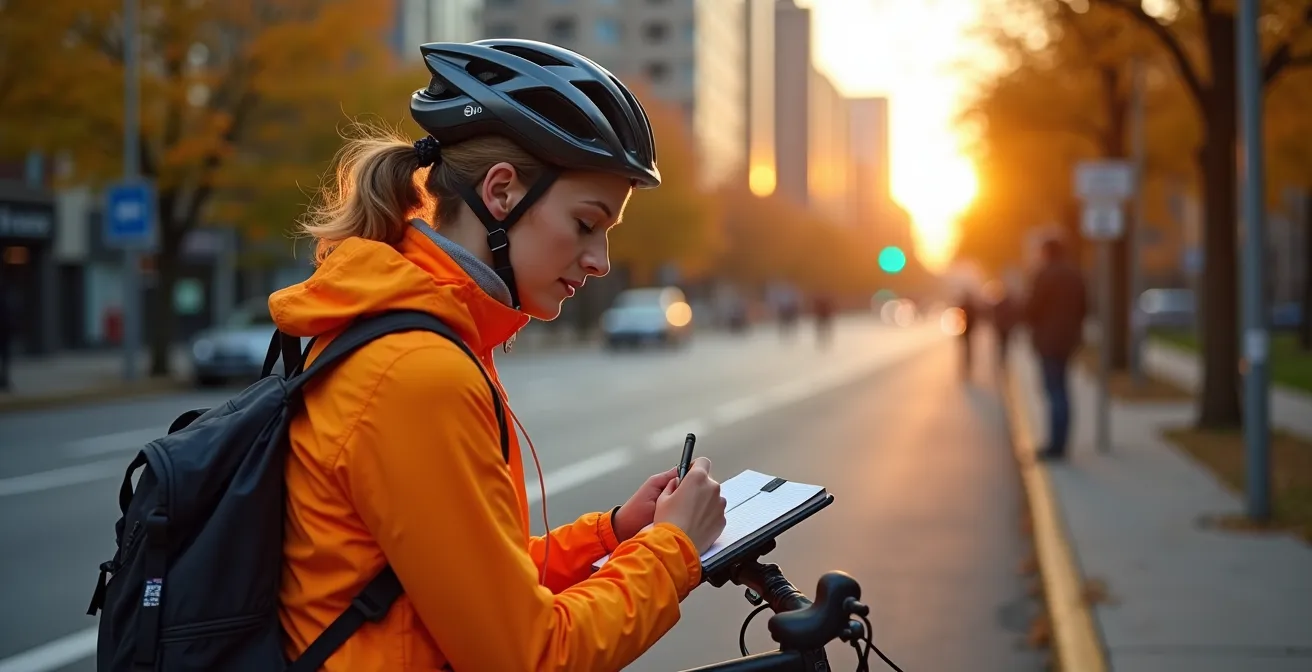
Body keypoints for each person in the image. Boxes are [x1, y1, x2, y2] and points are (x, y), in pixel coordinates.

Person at [270, 39, 728, 671]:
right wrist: (674, 548)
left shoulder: (419, 335)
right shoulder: (415, 372)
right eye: (586, 223)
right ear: (503, 192)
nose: (600, 261)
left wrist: (616, 532)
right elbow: (527, 656)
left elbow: (465, 581)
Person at [1025, 236, 1088, 460]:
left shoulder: (1044, 275)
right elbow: (1085, 307)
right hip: (1069, 340)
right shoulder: (1075, 275)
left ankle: (1055, 446)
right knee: (1063, 389)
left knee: (1054, 391)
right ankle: (1062, 443)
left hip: (1048, 341)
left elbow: (1032, 308)